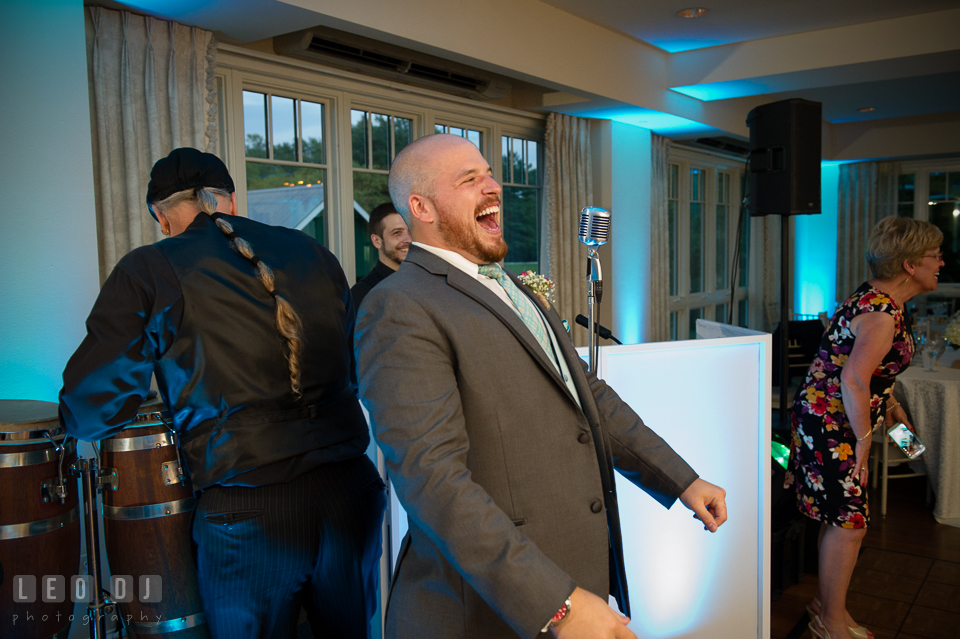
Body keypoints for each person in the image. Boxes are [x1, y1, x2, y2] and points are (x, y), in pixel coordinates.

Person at [355, 133, 728, 639]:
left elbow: (585, 398)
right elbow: (432, 480)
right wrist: (557, 604)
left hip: (572, 574)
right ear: (421, 207)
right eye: (469, 180)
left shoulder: (513, 286)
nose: (493, 186)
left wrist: (678, 478)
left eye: (489, 173)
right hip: (495, 607)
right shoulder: (398, 306)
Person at [59, 148, 386, 638]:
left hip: (249, 510)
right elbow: (355, 366)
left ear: (160, 215)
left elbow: (91, 407)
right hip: (352, 491)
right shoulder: (313, 252)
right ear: (231, 200)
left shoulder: (150, 268)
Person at [786, 216, 944, 639]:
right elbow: (853, 379)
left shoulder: (879, 300)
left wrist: (889, 403)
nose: (941, 263)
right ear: (910, 264)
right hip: (833, 424)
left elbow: (865, 372)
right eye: (934, 256)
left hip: (833, 417)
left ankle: (827, 605)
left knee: (839, 518)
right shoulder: (881, 315)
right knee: (850, 522)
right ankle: (831, 624)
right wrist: (863, 439)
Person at [352, 202, 411, 308]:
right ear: (377, 241)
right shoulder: (363, 294)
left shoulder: (428, 283)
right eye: (397, 233)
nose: (408, 240)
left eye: (411, 231)